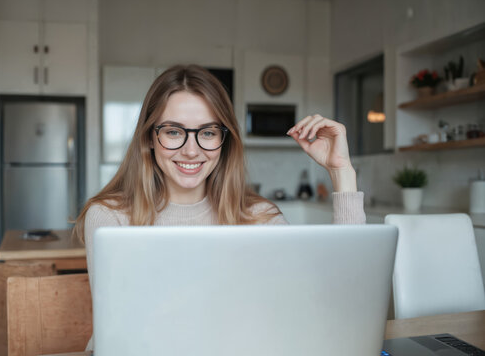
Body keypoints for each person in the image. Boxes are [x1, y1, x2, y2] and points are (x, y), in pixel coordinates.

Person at [75, 64, 365, 350]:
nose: (191, 150)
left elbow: (340, 300)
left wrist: (342, 172)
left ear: (224, 140)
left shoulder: (259, 218)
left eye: (208, 132)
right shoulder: (110, 216)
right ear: (150, 137)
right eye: (174, 132)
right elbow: (125, 332)